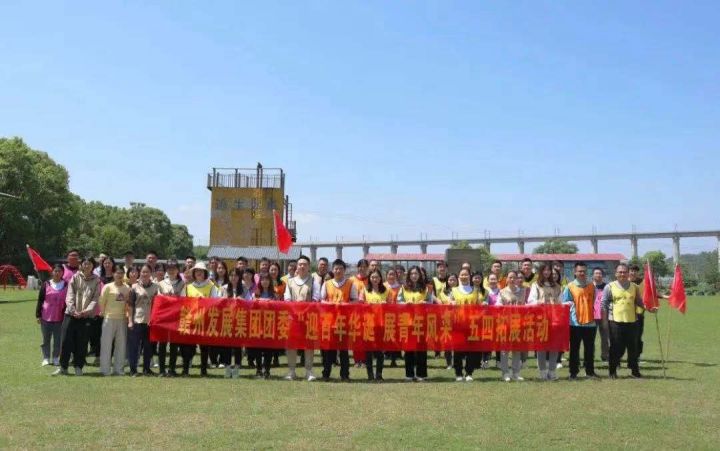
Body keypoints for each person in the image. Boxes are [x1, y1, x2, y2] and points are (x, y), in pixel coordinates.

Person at [53, 257, 101, 376]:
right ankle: (63, 367)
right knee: (65, 341)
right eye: (85, 263)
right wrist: (73, 310)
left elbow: (95, 299)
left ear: (93, 266)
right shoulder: (75, 277)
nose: (86, 266)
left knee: (82, 343)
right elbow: (69, 295)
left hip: (85, 316)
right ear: (81, 265)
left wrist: (86, 311)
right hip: (70, 314)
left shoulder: (96, 280)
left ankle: (78, 367)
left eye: (89, 264)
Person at [602, 263, 648, 379]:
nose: (622, 274)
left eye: (624, 272)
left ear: (628, 273)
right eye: (620, 272)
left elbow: (639, 301)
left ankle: (634, 371)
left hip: (632, 322)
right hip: (615, 322)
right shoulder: (609, 286)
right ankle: (612, 371)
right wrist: (604, 321)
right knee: (616, 347)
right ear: (616, 273)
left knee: (633, 347)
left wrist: (649, 308)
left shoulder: (634, 287)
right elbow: (604, 304)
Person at [316, 259, 358, 381]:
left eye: (340, 268)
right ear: (332, 270)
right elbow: (321, 300)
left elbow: (355, 300)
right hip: (329, 321)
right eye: (336, 268)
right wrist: (330, 304)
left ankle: (345, 374)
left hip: (344, 321)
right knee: (329, 349)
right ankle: (326, 373)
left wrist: (345, 305)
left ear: (344, 270)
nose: (338, 271)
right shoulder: (327, 284)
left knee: (344, 350)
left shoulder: (350, 283)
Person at [180, 262, 221, 376]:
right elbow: (183, 303)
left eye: (201, 271)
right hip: (191, 321)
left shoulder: (211, 287)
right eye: (197, 271)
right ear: (193, 273)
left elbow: (216, 302)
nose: (199, 273)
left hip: (205, 320)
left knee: (204, 347)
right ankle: (185, 369)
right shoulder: (188, 287)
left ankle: (203, 370)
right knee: (188, 346)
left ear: (205, 273)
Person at [561, 262, 600, 380]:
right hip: (575, 323)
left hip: (590, 323)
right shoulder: (570, 286)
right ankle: (573, 372)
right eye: (579, 271)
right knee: (574, 349)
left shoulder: (592, 286)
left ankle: (590, 372)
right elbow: (564, 303)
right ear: (575, 272)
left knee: (590, 349)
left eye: (584, 271)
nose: (582, 273)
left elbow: (595, 302)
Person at [284, 255, 317, 381]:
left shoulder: (313, 281)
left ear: (309, 267)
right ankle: (291, 371)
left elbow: (316, 299)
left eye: (305, 264)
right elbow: (287, 298)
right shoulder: (290, 281)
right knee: (291, 344)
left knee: (309, 345)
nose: (302, 266)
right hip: (293, 318)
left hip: (309, 318)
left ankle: (309, 371)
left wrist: (305, 308)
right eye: (300, 264)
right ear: (297, 267)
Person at [528, 263, 563, 380]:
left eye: (549, 270)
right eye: (545, 270)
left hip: (554, 319)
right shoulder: (536, 285)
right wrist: (539, 302)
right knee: (541, 346)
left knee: (554, 345)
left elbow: (561, 302)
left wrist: (558, 304)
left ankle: (552, 371)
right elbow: (530, 301)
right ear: (541, 272)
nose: (547, 272)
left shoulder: (557, 286)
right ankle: (542, 371)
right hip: (540, 319)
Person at [397, 266, 431, 382]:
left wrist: (425, 302)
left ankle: (421, 374)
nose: (414, 276)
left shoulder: (425, 288)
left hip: (421, 322)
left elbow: (431, 303)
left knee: (421, 349)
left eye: (416, 273)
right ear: (409, 275)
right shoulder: (403, 288)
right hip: (408, 322)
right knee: (409, 349)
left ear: (420, 275)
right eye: (412, 274)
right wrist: (405, 303)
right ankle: (409, 374)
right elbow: (398, 302)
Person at [448, 268, 482, 382]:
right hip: (458, 324)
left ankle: (469, 372)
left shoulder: (475, 290)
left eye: (466, 275)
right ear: (459, 277)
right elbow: (448, 305)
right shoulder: (454, 290)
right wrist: (451, 303)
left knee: (471, 350)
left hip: (472, 324)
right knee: (458, 349)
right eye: (462, 275)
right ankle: (458, 373)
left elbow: (479, 305)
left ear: (469, 276)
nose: (464, 277)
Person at [127, 265, 160, 377]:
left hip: (150, 321)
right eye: (143, 272)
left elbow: (158, 304)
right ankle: (133, 370)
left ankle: (146, 369)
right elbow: (130, 305)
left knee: (148, 347)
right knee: (134, 347)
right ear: (139, 273)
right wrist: (130, 321)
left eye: (147, 272)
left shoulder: (156, 287)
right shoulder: (134, 287)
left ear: (151, 273)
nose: (145, 274)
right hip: (137, 320)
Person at [99, 266, 130, 376]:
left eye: (121, 273)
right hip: (109, 319)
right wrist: (104, 313)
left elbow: (128, 304)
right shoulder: (107, 287)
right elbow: (102, 301)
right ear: (113, 274)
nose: (119, 275)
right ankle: (105, 370)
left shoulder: (127, 288)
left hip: (122, 319)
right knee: (106, 344)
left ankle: (118, 369)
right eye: (117, 273)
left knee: (121, 345)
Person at [157, 260, 185, 377]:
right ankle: (162, 370)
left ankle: (172, 369)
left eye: (174, 268)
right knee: (162, 344)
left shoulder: (182, 284)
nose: (171, 270)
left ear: (178, 270)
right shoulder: (161, 283)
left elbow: (184, 300)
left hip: (176, 317)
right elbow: (159, 300)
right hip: (163, 317)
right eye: (169, 268)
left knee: (174, 344)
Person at [359, 269, 388, 381]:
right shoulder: (365, 290)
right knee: (368, 351)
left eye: (377, 277)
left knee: (380, 351)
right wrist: (367, 305)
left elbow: (392, 306)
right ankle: (370, 374)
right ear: (369, 278)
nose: (375, 279)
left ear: (380, 278)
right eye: (372, 277)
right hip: (368, 324)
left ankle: (379, 374)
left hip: (381, 324)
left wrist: (385, 305)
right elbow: (360, 305)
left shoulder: (386, 291)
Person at [36, 264, 67, 367]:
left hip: (60, 318)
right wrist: (38, 315)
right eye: (55, 271)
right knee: (46, 339)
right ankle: (46, 358)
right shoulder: (46, 284)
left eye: (59, 271)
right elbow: (40, 300)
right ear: (52, 272)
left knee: (58, 340)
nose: (57, 273)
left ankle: (55, 358)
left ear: (62, 273)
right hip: (46, 317)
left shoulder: (66, 285)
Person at [498, 270, 526, 382]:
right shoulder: (502, 291)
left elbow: (525, 305)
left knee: (517, 349)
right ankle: (505, 373)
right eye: (510, 277)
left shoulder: (522, 291)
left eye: (515, 277)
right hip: (505, 323)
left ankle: (516, 372)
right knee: (504, 349)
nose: (512, 279)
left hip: (518, 323)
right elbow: (498, 305)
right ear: (507, 279)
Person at [222, 268, 246, 378]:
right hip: (227, 319)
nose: (233, 277)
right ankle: (227, 367)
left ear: (239, 277)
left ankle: (236, 368)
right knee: (227, 345)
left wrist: (242, 300)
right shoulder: (224, 288)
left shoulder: (244, 288)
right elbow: (218, 302)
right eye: (231, 275)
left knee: (238, 346)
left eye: (236, 275)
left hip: (240, 319)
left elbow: (250, 302)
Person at [253, 273, 277, 379]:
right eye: (263, 280)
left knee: (268, 349)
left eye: (267, 279)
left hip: (270, 324)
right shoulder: (255, 294)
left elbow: (278, 308)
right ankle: (258, 369)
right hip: (257, 324)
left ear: (270, 281)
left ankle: (267, 370)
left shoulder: (274, 294)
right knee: (257, 348)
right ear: (260, 282)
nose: (265, 281)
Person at [350, 259, 369, 367]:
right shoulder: (352, 280)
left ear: (367, 268)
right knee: (356, 337)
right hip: (355, 313)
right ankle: (357, 360)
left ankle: (365, 360)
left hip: (368, 314)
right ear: (357, 267)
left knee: (366, 337)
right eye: (360, 266)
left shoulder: (371, 280)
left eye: (364, 266)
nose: (362, 268)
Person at [384, 268, 403, 367]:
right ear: (386, 275)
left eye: (393, 274)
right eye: (389, 274)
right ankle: (386, 354)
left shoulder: (400, 287)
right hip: (384, 315)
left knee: (395, 337)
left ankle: (394, 358)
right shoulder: (382, 286)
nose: (391, 276)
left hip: (397, 315)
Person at [482, 273, 502, 368]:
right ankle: (485, 361)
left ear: (497, 280)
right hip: (487, 319)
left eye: (495, 279)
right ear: (488, 280)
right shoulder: (485, 291)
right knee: (487, 340)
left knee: (498, 341)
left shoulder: (501, 291)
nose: (493, 281)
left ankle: (499, 361)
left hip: (499, 319)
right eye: (491, 279)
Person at [629, 264, 646, 362]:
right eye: (631, 270)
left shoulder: (643, 282)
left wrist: (665, 297)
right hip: (626, 314)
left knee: (638, 336)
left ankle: (637, 356)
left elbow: (651, 293)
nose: (633, 272)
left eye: (635, 271)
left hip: (639, 313)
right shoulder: (624, 282)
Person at [592, 267, 609, 362]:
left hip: (604, 315)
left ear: (603, 275)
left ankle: (605, 355)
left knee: (605, 337)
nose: (598, 275)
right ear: (593, 275)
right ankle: (590, 355)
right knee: (591, 338)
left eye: (600, 273)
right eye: (596, 273)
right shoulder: (589, 286)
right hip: (592, 316)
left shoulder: (607, 287)